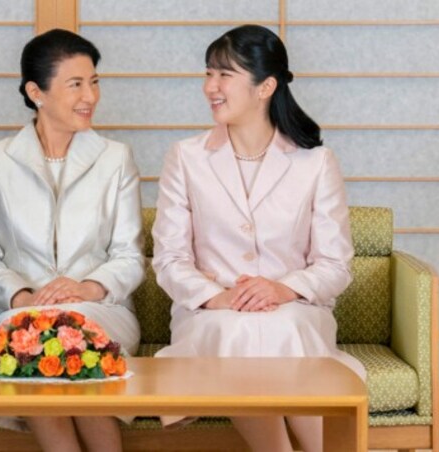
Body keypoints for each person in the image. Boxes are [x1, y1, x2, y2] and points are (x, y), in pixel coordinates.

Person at [151, 25, 366, 452]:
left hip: (296, 312)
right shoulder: (186, 157)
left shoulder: (315, 162)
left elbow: (335, 264)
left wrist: (283, 288)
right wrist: (219, 297)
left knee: (279, 327)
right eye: (208, 73)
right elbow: (169, 258)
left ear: (266, 86)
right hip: (210, 314)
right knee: (237, 331)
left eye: (224, 75)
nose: (210, 87)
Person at [0, 29, 143, 452]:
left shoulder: (115, 157)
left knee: (74, 335)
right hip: (18, 311)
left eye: (94, 82)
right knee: (32, 338)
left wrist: (86, 288)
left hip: (103, 308)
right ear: (36, 91)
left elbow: (130, 256)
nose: (91, 96)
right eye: (76, 84)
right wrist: (23, 299)